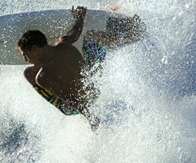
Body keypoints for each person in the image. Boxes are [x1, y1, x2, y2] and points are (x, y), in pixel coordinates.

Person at [18, 7, 147, 131]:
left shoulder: (43, 76)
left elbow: (69, 98)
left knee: (28, 73)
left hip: (78, 106)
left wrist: (90, 116)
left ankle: (127, 35)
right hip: (95, 87)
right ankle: (128, 34)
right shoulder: (64, 43)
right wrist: (80, 16)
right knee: (90, 36)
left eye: (25, 54)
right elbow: (76, 30)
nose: (25, 59)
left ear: (34, 49)